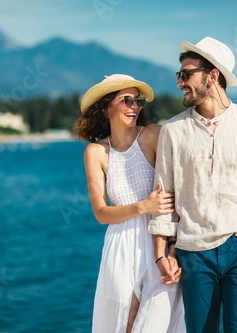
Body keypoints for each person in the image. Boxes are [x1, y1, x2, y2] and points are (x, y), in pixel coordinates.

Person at [148, 37, 237, 332]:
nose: (179, 83)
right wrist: (161, 253)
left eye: (186, 75)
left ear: (213, 76)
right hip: (193, 251)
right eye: (179, 75)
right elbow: (164, 198)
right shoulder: (172, 131)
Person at [75, 74, 185, 333]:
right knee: (124, 325)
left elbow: (181, 187)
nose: (134, 106)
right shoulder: (95, 152)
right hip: (120, 247)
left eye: (137, 101)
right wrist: (142, 207)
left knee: (156, 324)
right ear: (106, 107)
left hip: (158, 241)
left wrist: (172, 249)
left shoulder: (153, 135)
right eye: (126, 100)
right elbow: (101, 213)